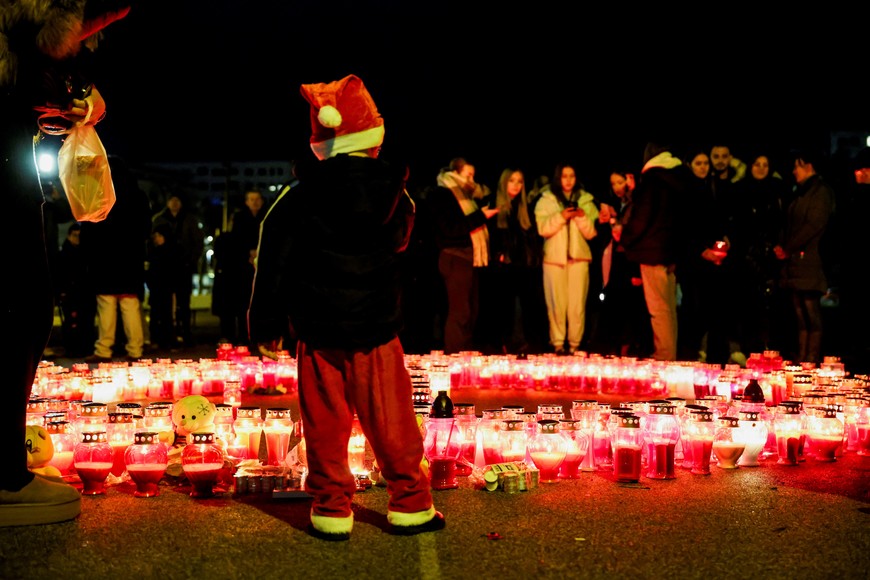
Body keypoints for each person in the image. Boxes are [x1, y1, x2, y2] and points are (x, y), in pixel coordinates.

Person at [248, 74, 444, 540]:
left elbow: (272, 256)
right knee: (392, 420)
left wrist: (267, 322)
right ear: (373, 138)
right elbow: (403, 244)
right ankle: (410, 503)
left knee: (325, 424)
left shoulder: (296, 198)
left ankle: (332, 507)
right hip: (376, 326)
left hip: (317, 329)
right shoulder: (396, 194)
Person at [0, 0, 131, 527]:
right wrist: (70, 97)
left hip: (12, 168)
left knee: (26, 313)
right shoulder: (29, 19)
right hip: (4, 178)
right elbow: (37, 54)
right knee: (20, 314)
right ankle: (5, 479)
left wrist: (68, 101)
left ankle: (8, 468)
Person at [620, 141, 691, 362]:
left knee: (658, 310)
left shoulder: (652, 181)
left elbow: (642, 218)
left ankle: (664, 356)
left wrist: (626, 237)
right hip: (669, 252)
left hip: (652, 252)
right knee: (668, 309)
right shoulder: (679, 178)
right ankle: (669, 353)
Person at [80, 155, 152, 362]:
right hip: (130, 259)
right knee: (130, 305)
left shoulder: (100, 193)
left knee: (106, 306)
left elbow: (89, 229)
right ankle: (135, 349)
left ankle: (104, 349)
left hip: (104, 260)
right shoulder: (138, 196)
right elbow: (145, 228)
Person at [426, 157, 499, 353]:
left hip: (469, 257)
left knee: (471, 309)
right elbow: (451, 229)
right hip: (455, 256)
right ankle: (455, 353)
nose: (471, 180)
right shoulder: (442, 194)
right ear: (455, 173)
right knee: (461, 311)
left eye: (473, 176)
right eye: (468, 175)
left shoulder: (467, 197)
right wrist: (481, 216)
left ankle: (464, 351)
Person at [774, 148, 835, 364]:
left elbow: (813, 224)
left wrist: (788, 247)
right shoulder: (801, 192)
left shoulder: (820, 192)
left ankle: (811, 358)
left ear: (808, 166)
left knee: (810, 312)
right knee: (800, 313)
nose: (794, 171)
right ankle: (803, 357)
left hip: (809, 261)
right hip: (797, 262)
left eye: (797, 166)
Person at [534, 162, 599, 354]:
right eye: (564, 176)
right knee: (556, 303)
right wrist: (561, 216)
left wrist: (580, 216)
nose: (568, 180)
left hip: (579, 259)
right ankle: (558, 344)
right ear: (558, 178)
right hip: (554, 259)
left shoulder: (586, 200)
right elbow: (542, 229)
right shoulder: (546, 200)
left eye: (571, 176)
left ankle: (575, 344)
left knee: (577, 304)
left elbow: (592, 233)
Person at [676, 147, 731, 364]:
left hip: (711, 260)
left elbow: (714, 220)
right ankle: (689, 353)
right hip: (693, 261)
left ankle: (714, 356)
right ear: (690, 165)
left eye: (704, 163)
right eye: (698, 163)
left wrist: (722, 240)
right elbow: (684, 226)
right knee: (693, 309)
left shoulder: (710, 187)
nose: (703, 167)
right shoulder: (685, 189)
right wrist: (700, 249)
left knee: (712, 309)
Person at [484, 168, 547, 354]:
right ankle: (500, 345)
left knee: (527, 309)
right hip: (502, 268)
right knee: (502, 310)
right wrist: (499, 255)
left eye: (520, 181)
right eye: (512, 180)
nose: (516, 185)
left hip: (524, 268)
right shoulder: (494, 205)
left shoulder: (524, 207)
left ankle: (526, 345)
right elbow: (492, 237)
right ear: (504, 183)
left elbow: (531, 238)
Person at [589, 167, 651, 357]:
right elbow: (609, 236)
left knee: (635, 308)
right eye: (613, 183)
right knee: (613, 304)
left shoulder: (638, 201)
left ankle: (637, 348)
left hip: (632, 259)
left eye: (620, 182)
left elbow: (635, 231)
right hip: (617, 259)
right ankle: (607, 348)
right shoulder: (619, 203)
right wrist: (603, 222)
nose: (617, 187)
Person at [212, 189, 267, 347]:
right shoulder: (241, 218)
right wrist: (248, 253)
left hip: (261, 263)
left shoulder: (267, 216)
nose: (255, 202)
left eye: (257, 199)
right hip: (242, 267)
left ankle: (253, 335)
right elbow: (237, 239)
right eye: (251, 199)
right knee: (242, 303)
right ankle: (241, 335)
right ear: (246, 201)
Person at [151, 192, 204, 346]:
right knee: (163, 303)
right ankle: (165, 334)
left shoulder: (189, 220)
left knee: (184, 303)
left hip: (184, 267)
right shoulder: (159, 219)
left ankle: (185, 332)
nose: (174, 203)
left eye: (177, 200)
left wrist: (191, 260)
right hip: (165, 268)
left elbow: (198, 242)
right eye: (172, 200)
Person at [55, 222, 96, 357]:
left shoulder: (82, 251)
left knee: (85, 321)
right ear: (69, 236)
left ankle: (84, 347)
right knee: (73, 322)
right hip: (71, 293)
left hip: (83, 292)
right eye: (74, 235)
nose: (77, 238)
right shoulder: (64, 254)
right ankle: (73, 348)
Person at [145, 222, 184, 351]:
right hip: (157, 289)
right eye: (155, 236)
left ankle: (166, 340)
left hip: (166, 288)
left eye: (159, 236)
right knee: (156, 315)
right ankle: (158, 340)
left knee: (167, 315)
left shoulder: (169, 252)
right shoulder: (155, 252)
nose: (156, 238)